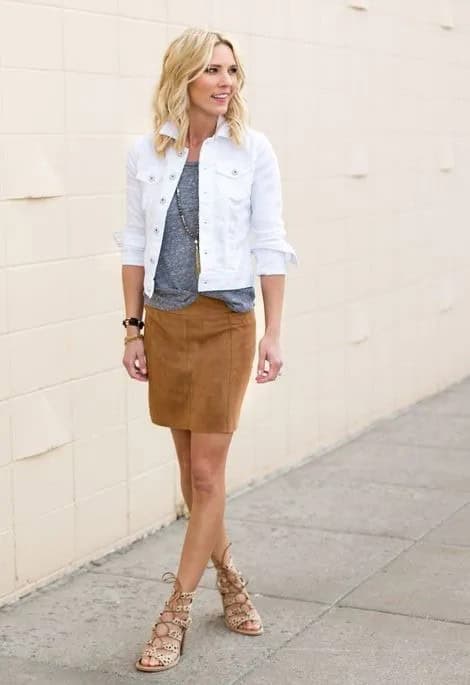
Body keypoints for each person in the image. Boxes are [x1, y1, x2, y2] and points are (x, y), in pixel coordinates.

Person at [115, 26, 298, 673]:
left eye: (232, 70)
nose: (225, 82)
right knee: (196, 476)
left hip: (226, 321)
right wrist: (133, 327)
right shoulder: (148, 151)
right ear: (184, 77)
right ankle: (231, 579)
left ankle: (175, 610)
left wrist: (274, 331)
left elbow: (271, 244)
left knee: (206, 474)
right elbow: (134, 242)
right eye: (212, 70)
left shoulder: (253, 151)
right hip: (166, 323)